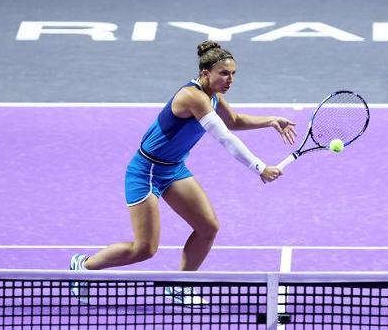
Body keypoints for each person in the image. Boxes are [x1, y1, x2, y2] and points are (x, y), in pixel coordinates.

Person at [69, 41, 296, 305]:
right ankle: (84, 266)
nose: (230, 79)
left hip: (172, 168)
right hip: (146, 171)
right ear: (205, 73)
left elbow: (232, 121)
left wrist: (270, 120)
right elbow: (224, 137)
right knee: (145, 249)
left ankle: (180, 284)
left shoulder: (212, 95)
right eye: (224, 73)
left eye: (233, 73)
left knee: (207, 227)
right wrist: (259, 167)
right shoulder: (193, 96)